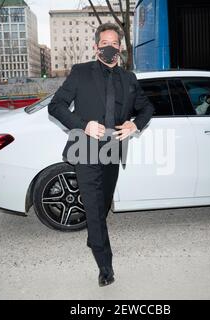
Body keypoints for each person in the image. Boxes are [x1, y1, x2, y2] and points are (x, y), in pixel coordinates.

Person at [48, 22, 154, 287]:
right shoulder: (80, 73)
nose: (110, 47)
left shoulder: (128, 79)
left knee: (103, 203)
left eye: (115, 43)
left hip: (112, 146)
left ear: (120, 48)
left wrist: (134, 124)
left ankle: (93, 235)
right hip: (85, 145)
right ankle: (105, 265)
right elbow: (56, 106)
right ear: (96, 46)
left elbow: (147, 108)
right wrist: (83, 124)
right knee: (94, 209)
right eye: (105, 43)